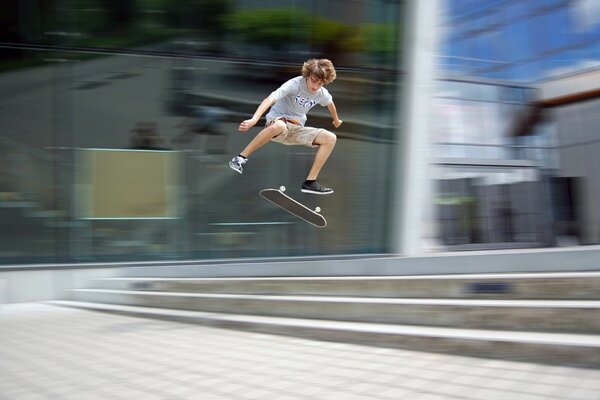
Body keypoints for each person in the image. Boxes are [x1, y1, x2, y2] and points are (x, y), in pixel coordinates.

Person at [228, 58, 342, 194]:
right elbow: (270, 99)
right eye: (313, 80)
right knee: (281, 126)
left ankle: (310, 183)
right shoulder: (295, 84)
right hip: (277, 122)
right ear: (308, 74)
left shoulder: (322, 93)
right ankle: (240, 158)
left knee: (331, 138)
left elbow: (330, 104)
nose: (316, 86)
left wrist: (336, 119)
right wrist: (254, 119)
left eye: (321, 83)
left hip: (296, 129)